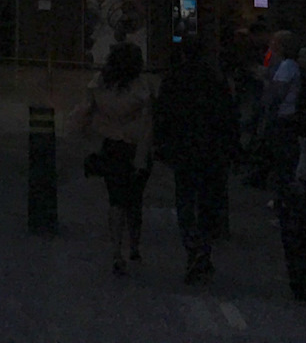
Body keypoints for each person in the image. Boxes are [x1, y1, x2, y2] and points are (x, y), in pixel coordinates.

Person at [154, 39, 236, 282]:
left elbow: (163, 113)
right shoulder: (215, 80)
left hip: (184, 148)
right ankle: (205, 245)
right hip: (211, 147)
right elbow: (227, 114)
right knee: (208, 198)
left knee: (186, 198)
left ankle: (193, 246)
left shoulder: (174, 79)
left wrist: (162, 144)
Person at [72, 39, 150, 274]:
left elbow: (85, 113)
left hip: (110, 146)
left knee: (115, 200)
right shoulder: (142, 89)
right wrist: (143, 157)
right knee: (134, 201)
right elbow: (148, 125)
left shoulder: (98, 86)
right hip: (135, 146)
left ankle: (116, 249)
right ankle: (134, 245)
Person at [257, 30, 303, 187]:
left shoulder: (287, 66)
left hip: (283, 116)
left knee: (282, 158)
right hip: (285, 115)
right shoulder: (288, 65)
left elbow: (278, 93)